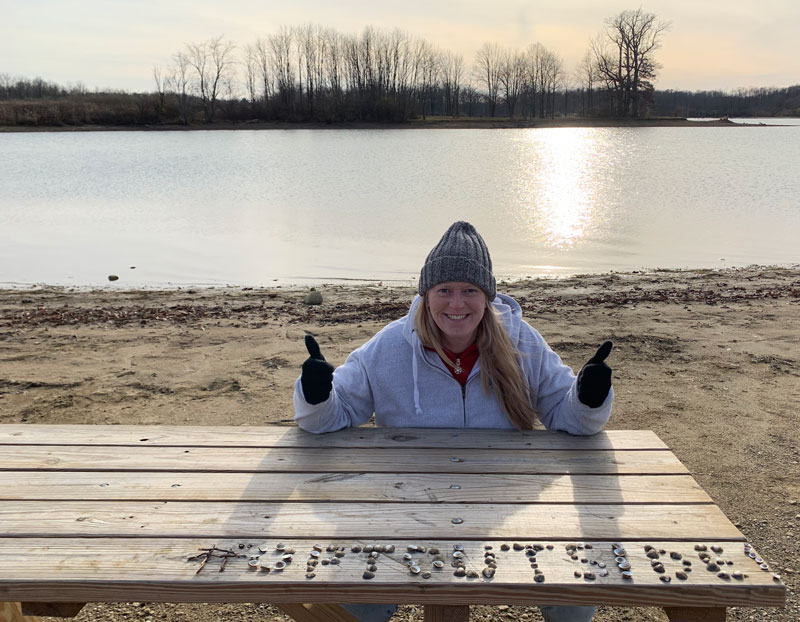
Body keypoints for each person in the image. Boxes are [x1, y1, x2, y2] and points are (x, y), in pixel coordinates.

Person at [294, 221, 614, 622]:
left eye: (470, 291)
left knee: (573, 592)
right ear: (426, 295)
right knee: (361, 594)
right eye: (444, 290)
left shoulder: (522, 341)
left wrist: (588, 397)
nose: (457, 304)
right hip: (405, 501)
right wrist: (316, 393)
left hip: (507, 501)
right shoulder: (390, 344)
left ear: (487, 296)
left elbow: (569, 420)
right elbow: (329, 419)